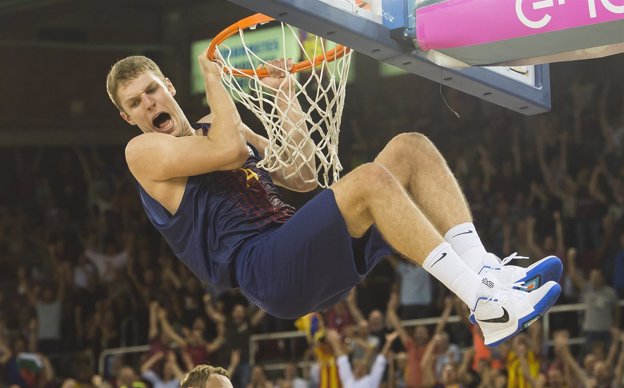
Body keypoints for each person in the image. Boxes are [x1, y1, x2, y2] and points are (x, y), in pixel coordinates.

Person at [105, 52, 563, 346]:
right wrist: (214, 76)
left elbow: (302, 176)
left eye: (152, 89)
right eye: (136, 101)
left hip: (299, 250)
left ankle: (484, 272)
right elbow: (229, 151)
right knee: (369, 180)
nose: (148, 103)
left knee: (410, 147)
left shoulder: (217, 127)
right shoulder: (142, 151)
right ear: (127, 117)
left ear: (167, 85)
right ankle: (485, 306)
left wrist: (286, 99)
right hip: (263, 268)